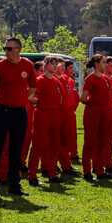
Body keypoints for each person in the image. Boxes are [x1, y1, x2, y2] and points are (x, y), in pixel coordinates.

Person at [0, 37, 37, 198]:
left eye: (10, 48)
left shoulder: (27, 65)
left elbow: (33, 86)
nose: (7, 51)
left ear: (18, 49)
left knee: (16, 149)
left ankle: (14, 185)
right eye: (6, 48)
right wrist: (4, 98)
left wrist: (23, 97)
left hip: (20, 112)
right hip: (2, 111)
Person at [27, 55, 64, 186]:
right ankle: (32, 174)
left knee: (54, 144)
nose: (55, 66)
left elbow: (61, 99)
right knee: (38, 144)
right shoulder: (39, 80)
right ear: (45, 64)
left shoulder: (57, 81)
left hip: (55, 114)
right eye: (52, 63)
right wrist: (41, 102)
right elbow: (30, 97)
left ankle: (52, 172)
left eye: (56, 64)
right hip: (42, 114)